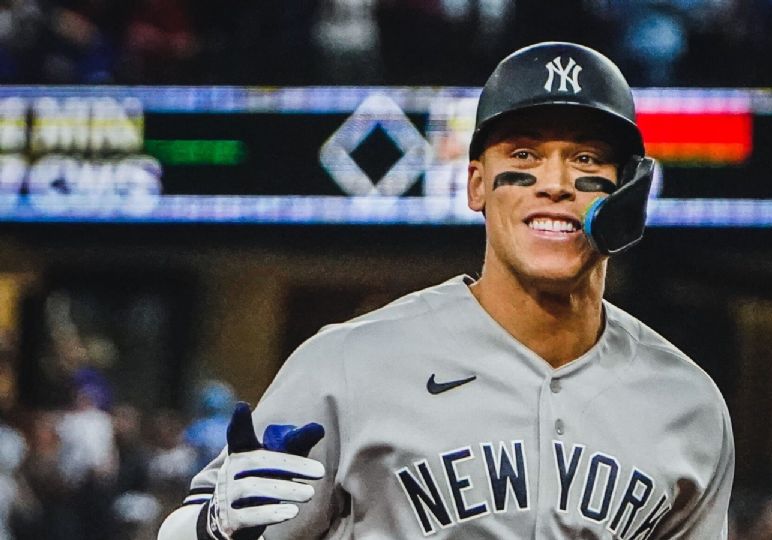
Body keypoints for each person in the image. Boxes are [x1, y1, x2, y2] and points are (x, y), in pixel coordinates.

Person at [158, 41, 734, 539]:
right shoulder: (349, 363)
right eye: (525, 155)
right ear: (477, 185)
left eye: (585, 158)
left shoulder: (689, 405)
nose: (555, 184)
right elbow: (191, 526)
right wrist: (212, 527)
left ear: (629, 191)